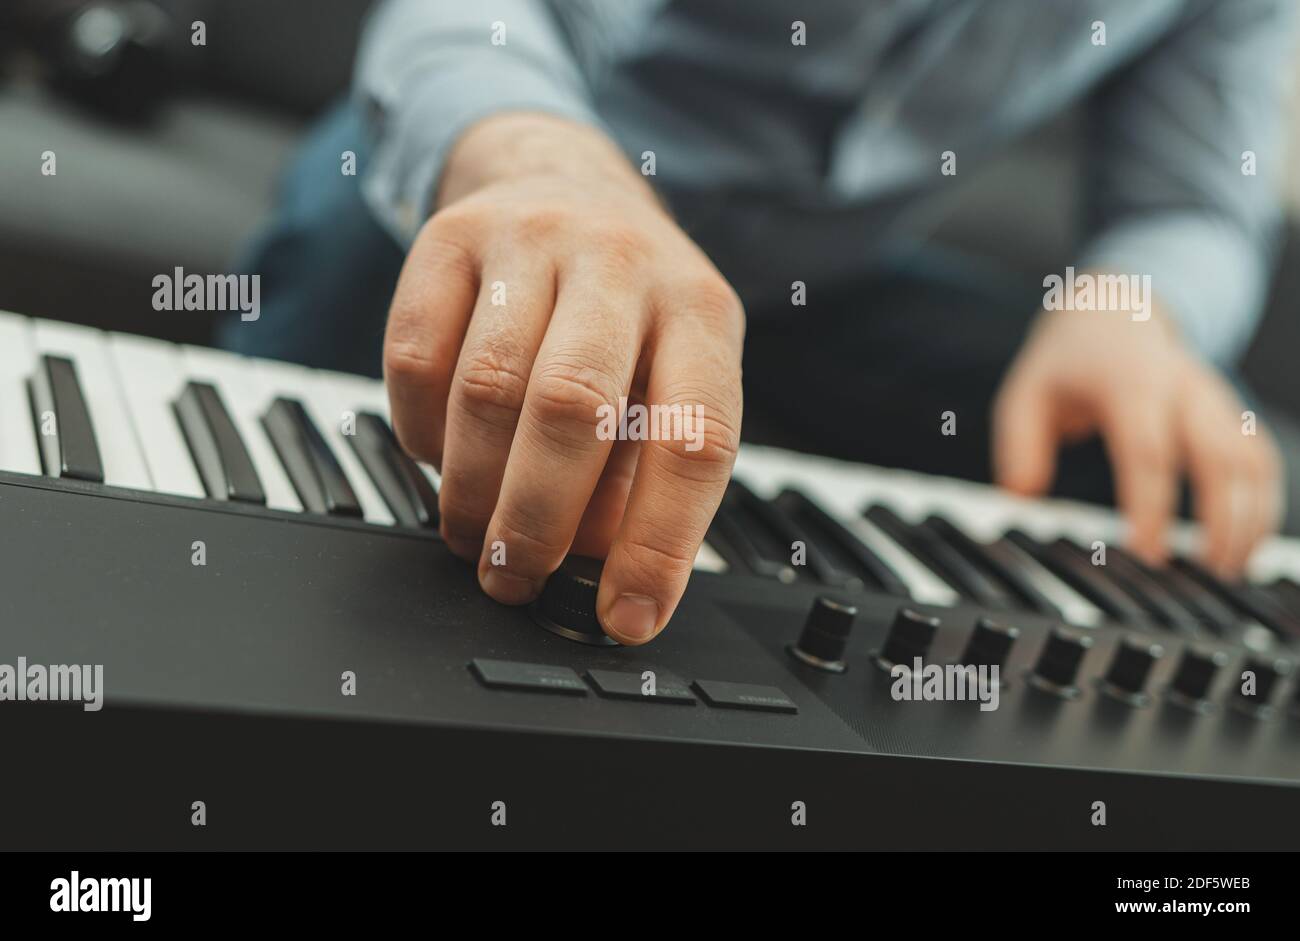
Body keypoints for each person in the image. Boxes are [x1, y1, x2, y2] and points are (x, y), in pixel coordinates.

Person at [222, 0, 1295, 645]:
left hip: (816, 289)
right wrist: (545, 164)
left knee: (1192, 443)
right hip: (531, 176)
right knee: (401, 271)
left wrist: (1133, 306)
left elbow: (1187, 203)